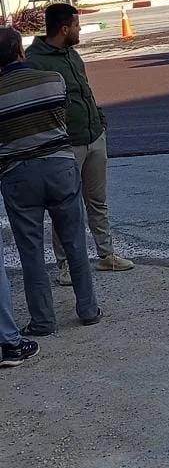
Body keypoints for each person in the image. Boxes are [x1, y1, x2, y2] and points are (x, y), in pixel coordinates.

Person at [0, 27, 100, 336]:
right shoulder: (53, 81)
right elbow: (62, 118)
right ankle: (88, 309)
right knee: (75, 243)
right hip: (60, 168)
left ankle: (43, 321)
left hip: (18, 175)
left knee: (30, 252)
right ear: (21, 51)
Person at [26, 4, 134, 285]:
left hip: (93, 137)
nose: (80, 29)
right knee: (64, 205)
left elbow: (85, 91)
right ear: (64, 29)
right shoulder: (36, 62)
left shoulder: (72, 55)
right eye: (76, 25)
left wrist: (99, 120)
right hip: (66, 145)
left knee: (97, 201)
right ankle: (65, 265)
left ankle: (106, 255)